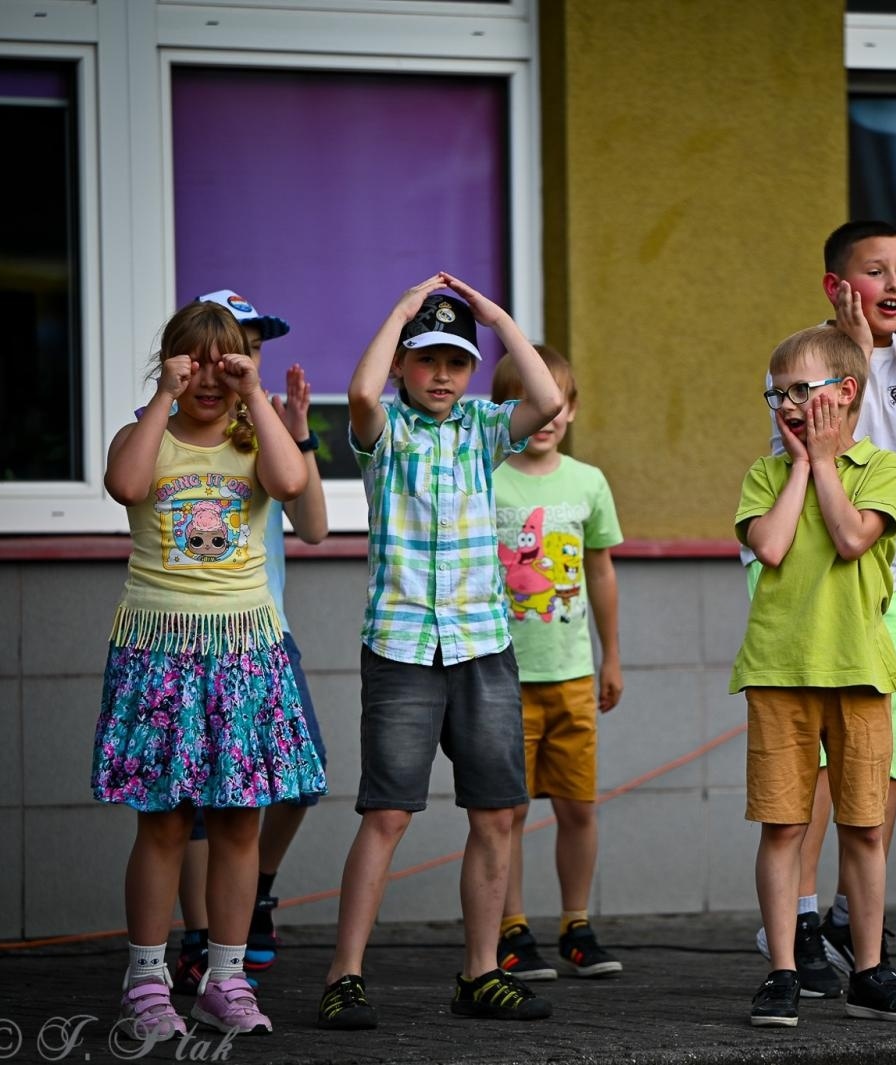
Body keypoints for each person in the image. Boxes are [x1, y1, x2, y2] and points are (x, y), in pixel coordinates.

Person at [316, 274, 563, 1031]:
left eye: (457, 361)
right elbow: (359, 395)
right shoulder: (384, 431)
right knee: (388, 812)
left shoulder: (485, 427)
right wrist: (396, 311)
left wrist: (493, 317)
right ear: (404, 365)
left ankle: (480, 973)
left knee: (497, 811)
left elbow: (548, 400)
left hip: (483, 645)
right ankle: (344, 975)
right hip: (402, 648)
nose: (444, 376)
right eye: (427, 360)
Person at [747, 220, 896, 995]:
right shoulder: (803, 360)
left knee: (882, 763)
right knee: (808, 768)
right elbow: (824, 447)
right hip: (812, 588)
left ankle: (852, 917)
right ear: (837, 285)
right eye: (876, 270)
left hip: (887, 582)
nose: (895, 285)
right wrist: (857, 362)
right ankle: (800, 919)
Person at [95, 300, 324, 1038]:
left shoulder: (253, 436)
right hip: (160, 653)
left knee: (238, 822)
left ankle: (226, 979)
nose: (207, 377)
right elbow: (127, 486)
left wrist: (256, 395)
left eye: (222, 362)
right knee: (163, 824)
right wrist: (163, 396)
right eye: (191, 361)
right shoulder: (146, 433)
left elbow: (290, 485)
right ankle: (147, 981)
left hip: (245, 653)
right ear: (169, 363)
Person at [733, 323, 896, 1027]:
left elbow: (852, 537)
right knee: (783, 825)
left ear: (846, 393)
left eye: (801, 390)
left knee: (864, 826)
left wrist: (823, 464)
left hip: (858, 675)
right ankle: (783, 969)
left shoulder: (882, 470)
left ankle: (870, 968)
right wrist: (798, 466)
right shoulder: (765, 474)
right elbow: (772, 544)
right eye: (776, 393)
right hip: (780, 675)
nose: (786, 404)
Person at [170, 290, 328, 994]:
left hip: (265, 635)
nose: (242, 359)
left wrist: (297, 430)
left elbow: (316, 524)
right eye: (234, 345)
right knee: (193, 799)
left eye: (255, 347)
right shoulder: (186, 431)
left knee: (302, 775)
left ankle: (255, 892)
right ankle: (202, 933)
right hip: (187, 635)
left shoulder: (258, 431)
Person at [489, 344, 626, 981]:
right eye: (528, 402)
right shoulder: (487, 477)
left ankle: (577, 923)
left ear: (570, 408)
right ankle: (511, 929)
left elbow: (600, 570)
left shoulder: (588, 482)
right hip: (503, 676)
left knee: (578, 807)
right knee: (508, 811)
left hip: (571, 675)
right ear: (504, 410)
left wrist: (611, 657)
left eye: (557, 402)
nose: (545, 415)